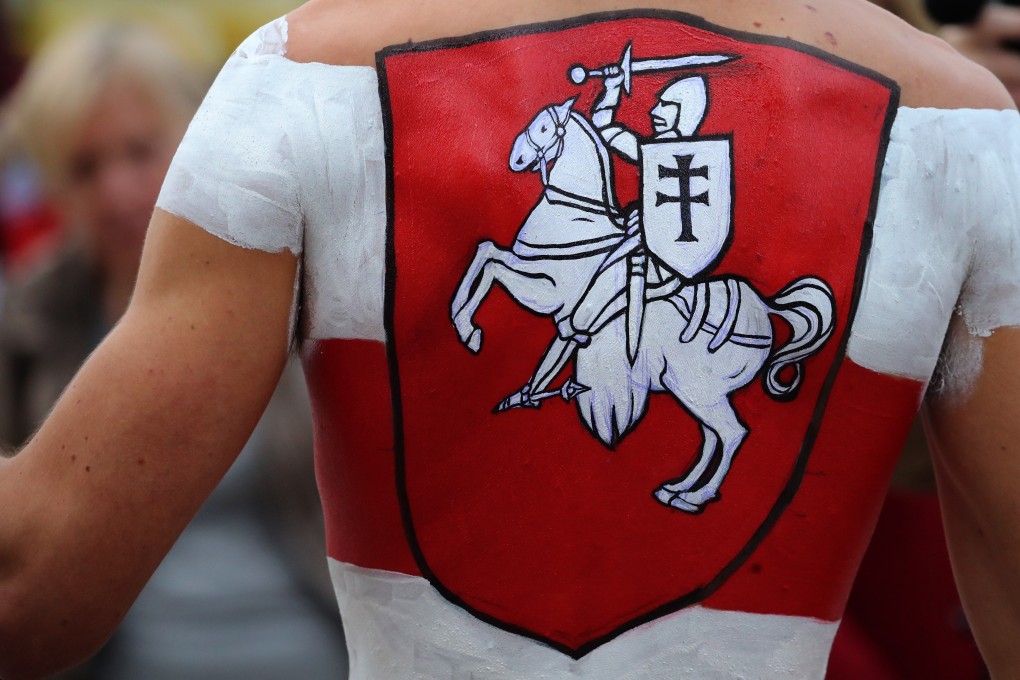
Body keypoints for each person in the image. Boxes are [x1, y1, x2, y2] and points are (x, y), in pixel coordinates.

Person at [2, 1, 1020, 678]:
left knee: (625, 277)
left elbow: (32, 589)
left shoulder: (300, 81)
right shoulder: (961, 122)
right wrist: (611, 104)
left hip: (645, 253)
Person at [0, 21, 346, 680]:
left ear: (196, 146)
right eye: (85, 166)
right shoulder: (27, 323)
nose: (116, 191)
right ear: (53, 185)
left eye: (139, 151)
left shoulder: (301, 292)